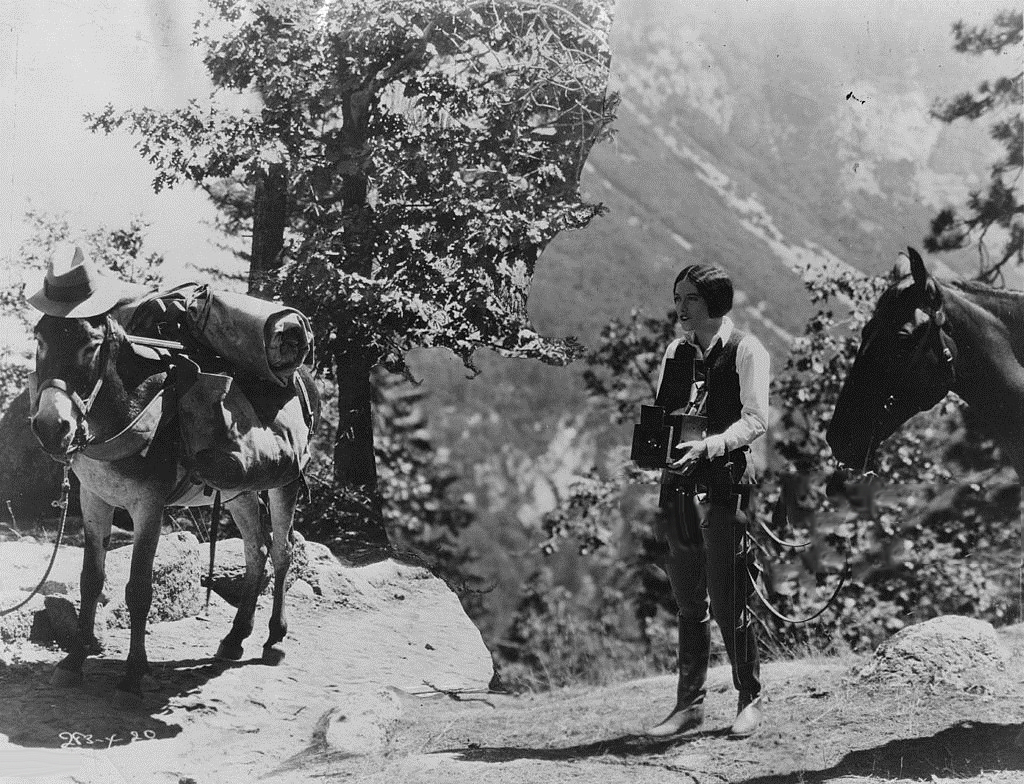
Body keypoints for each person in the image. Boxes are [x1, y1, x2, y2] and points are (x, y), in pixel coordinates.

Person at [646, 263, 770, 740]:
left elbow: (756, 420)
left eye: (690, 298)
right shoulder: (675, 351)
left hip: (722, 485)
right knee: (687, 598)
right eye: (678, 297)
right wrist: (657, 449)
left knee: (727, 596)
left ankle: (749, 698)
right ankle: (689, 706)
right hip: (678, 489)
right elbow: (665, 413)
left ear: (715, 303)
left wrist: (710, 446)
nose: (680, 307)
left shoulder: (746, 351)